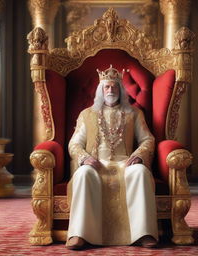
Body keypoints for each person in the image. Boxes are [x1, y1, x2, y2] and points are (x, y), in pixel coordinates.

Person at [66, 65, 158, 250]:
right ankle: (79, 233)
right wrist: (84, 158)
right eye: (106, 87)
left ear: (121, 90)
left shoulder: (134, 113)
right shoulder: (87, 114)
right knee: (84, 174)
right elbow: (74, 143)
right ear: (100, 90)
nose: (110, 90)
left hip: (126, 163)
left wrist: (139, 156)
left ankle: (143, 233)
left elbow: (147, 139)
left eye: (114, 87)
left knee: (140, 172)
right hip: (96, 163)